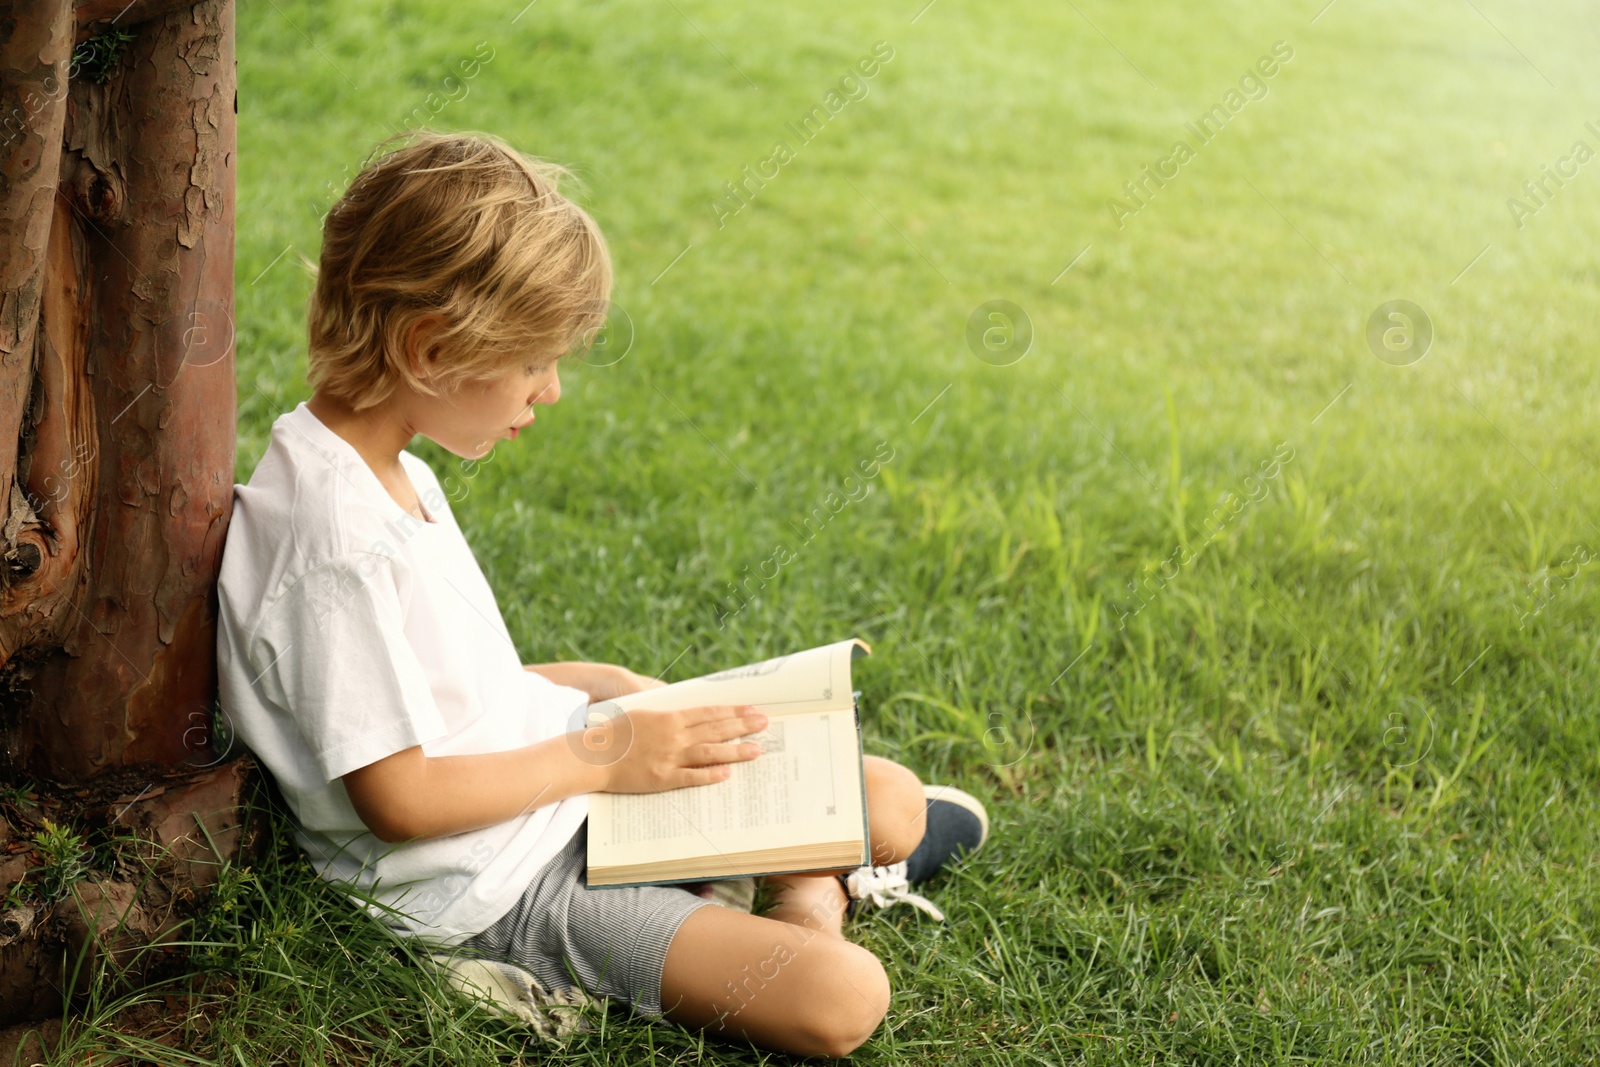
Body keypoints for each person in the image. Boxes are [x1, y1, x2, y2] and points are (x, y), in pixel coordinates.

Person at [215, 129, 988, 1058]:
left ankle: (750, 890)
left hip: (563, 786)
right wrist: (605, 748)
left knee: (893, 801)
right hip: (502, 880)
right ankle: (806, 896)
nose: (549, 391)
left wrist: (599, 684)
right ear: (429, 350)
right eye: (535, 360)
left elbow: (431, 698)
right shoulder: (331, 542)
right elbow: (403, 798)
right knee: (842, 995)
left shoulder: (379, 470)